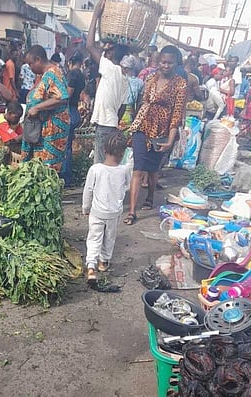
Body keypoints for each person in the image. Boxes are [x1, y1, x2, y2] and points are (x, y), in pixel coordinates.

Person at [123, 45, 187, 226]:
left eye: (170, 63)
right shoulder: (150, 78)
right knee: (138, 168)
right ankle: (132, 211)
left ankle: (150, 196)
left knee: (152, 169)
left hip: (162, 130)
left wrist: (169, 139)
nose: (166, 65)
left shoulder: (180, 84)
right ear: (159, 61)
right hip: (142, 126)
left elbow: (177, 115)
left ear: (176, 63)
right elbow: (143, 102)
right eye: (163, 62)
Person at [82, 131, 130, 281]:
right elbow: (127, 186)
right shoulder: (124, 170)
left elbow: (88, 190)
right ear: (122, 153)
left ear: (104, 150)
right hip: (114, 212)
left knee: (94, 238)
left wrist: (86, 208)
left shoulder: (95, 169)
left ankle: (91, 267)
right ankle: (103, 262)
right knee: (109, 238)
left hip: (97, 212)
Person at [86, 0, 130, 164]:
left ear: (110, 54)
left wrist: (96, 15)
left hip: (105, 125)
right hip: (111, 124)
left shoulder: (109, 68)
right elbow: (123, 107)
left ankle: (97, 190)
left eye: (107, 50)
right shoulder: (124, 77)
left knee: (99, 166)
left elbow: (89, 45)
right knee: (109, 164)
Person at [21, 45, 69, 172]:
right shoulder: (43, 75)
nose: (30, 68)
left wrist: (37, 107)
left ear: (38, 59)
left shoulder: (53, 73)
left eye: (31, 64)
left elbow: (61, 97)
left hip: (52, 131)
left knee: (47, 170)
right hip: (41, 129)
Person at [61, 52, 85, 187]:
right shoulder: (81, 75)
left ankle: (65, 176)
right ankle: (67, 177)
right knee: (68, 145)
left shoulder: (72, 74)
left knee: (64, 146)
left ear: (70, 62)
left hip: (69, 110)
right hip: (75, 111)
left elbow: (67, 95)